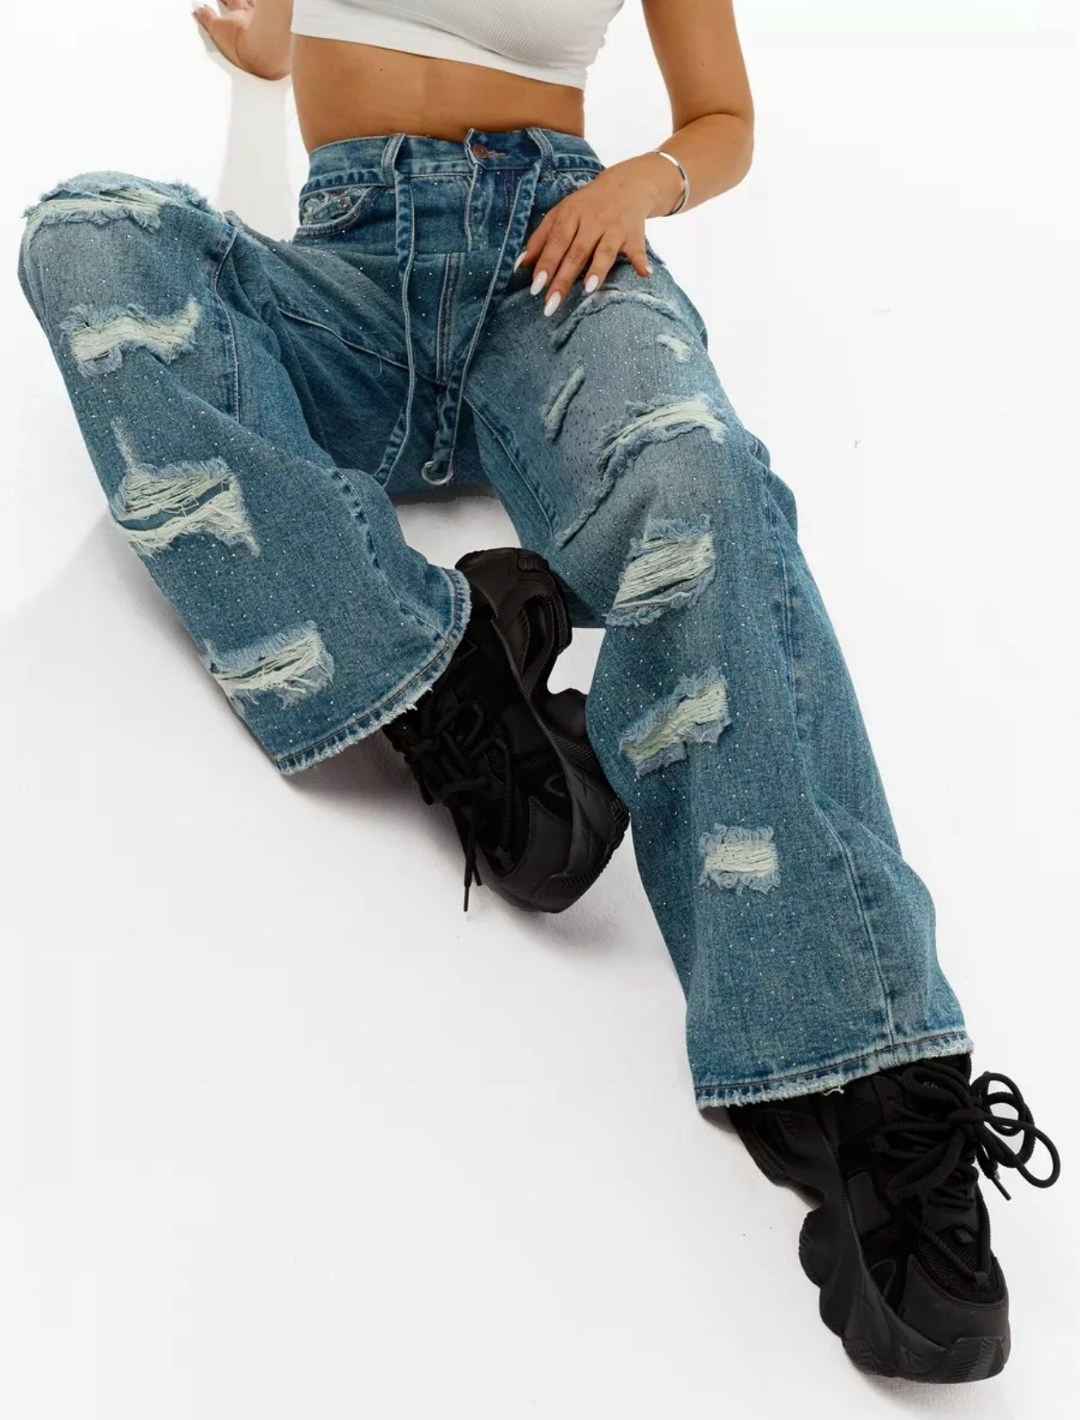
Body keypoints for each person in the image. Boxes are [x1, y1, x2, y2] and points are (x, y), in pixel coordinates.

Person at [16, 0, 1059, 1382]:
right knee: (84, 236)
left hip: (554, 258)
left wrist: (645, 181)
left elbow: (724, 119)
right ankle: (451, 691)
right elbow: (273, 64)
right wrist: (259, 55)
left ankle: (866, 1072)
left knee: (700, 484)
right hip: (343, 275)